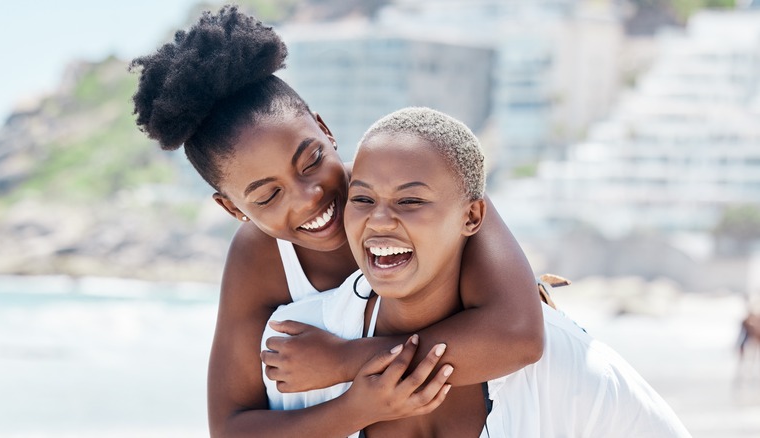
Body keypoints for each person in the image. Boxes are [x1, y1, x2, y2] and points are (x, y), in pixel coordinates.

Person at [130, 6, 544, 437]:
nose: (310, 197)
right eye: (269, 196)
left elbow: (518, 337)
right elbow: (232, 428)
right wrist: (356, 407)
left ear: (325, 129)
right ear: (234, 210)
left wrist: (343, 361)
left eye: (310, 161)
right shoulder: (261, 258)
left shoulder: (416, 176)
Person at [262, 107, 692, 437]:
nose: (379, 221)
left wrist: (345, 362)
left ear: (472, 217)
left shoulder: (571, 368)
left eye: (410, 201)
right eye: (362, 199)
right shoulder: (297, 348)